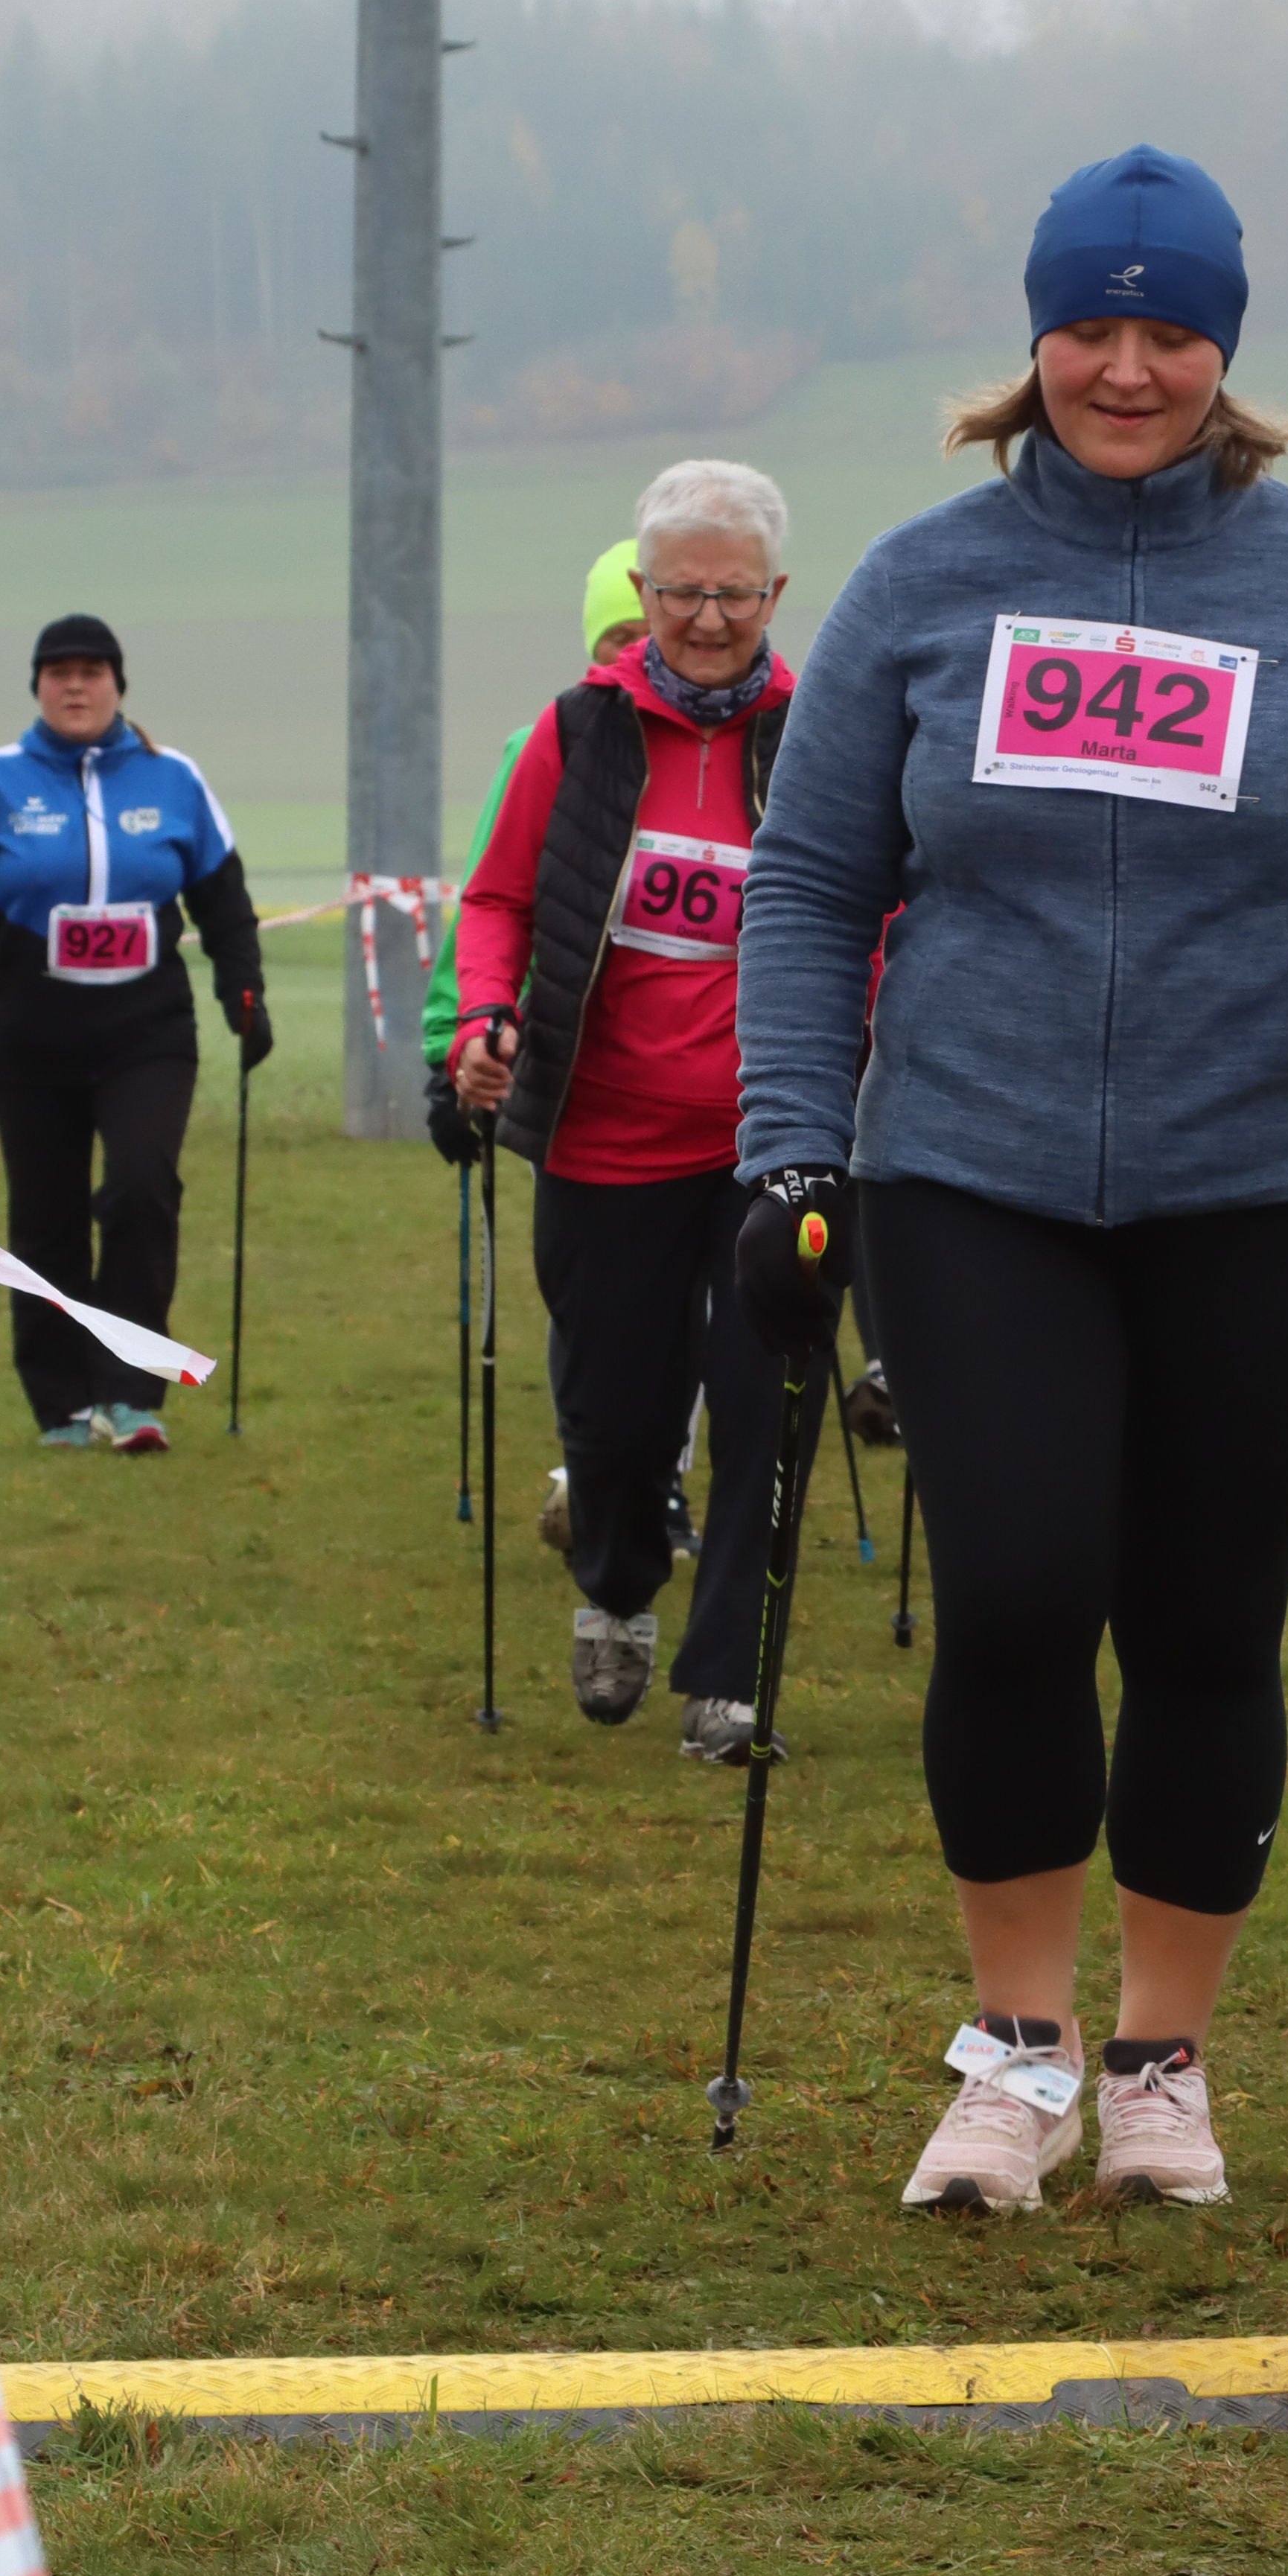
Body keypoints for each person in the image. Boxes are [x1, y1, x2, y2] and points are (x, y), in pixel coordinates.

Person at [733, 144, 1288, 2214]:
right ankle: (1016, 2056)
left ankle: (1161, 2064)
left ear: (1224, 350)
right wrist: (787, 1145)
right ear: (1036, 339)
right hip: (967, 1170)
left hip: (1255, 1177)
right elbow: (809, 882)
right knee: (1010, 1591)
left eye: (1171, 334)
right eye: (1092, 327)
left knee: (1203, 1617)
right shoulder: (922, 582)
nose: (1130, 369)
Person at [450, 462, 800, 1757]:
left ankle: (728, 1678)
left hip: (772, 1139)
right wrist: (483, 1021)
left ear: (775, 594)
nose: (709, 621)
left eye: (735, 596)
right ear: (643, 593)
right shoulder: (577, 733)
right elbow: (497, 899)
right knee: (616, 1412)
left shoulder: (818, 735)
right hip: (603, 1136)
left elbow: (877, 907)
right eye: (683, 594)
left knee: (763, 1406)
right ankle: (615, 1584)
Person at [0, 612, 268, 1451]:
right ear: (37, 687)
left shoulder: (174, 779)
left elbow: (224, 903)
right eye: (59, 672)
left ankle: (131, 1395)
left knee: (143, 1189)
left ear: (118, 685)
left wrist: (243, 990)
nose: (76, 686)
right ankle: (63, 1403)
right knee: (47, 1217)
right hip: (30, 1030)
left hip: (146, 1028)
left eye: (93, 671)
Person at [425, 543, 657, 1563]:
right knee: (597, 1302)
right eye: (618, 638)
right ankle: (601, 1470)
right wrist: (451, 1047)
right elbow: (491, 897)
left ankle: (659, 1484)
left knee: (701, 1307)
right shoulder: (547, 741)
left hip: (704, 1082)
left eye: (648, 633)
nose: (639, 654)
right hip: (570, 1078)